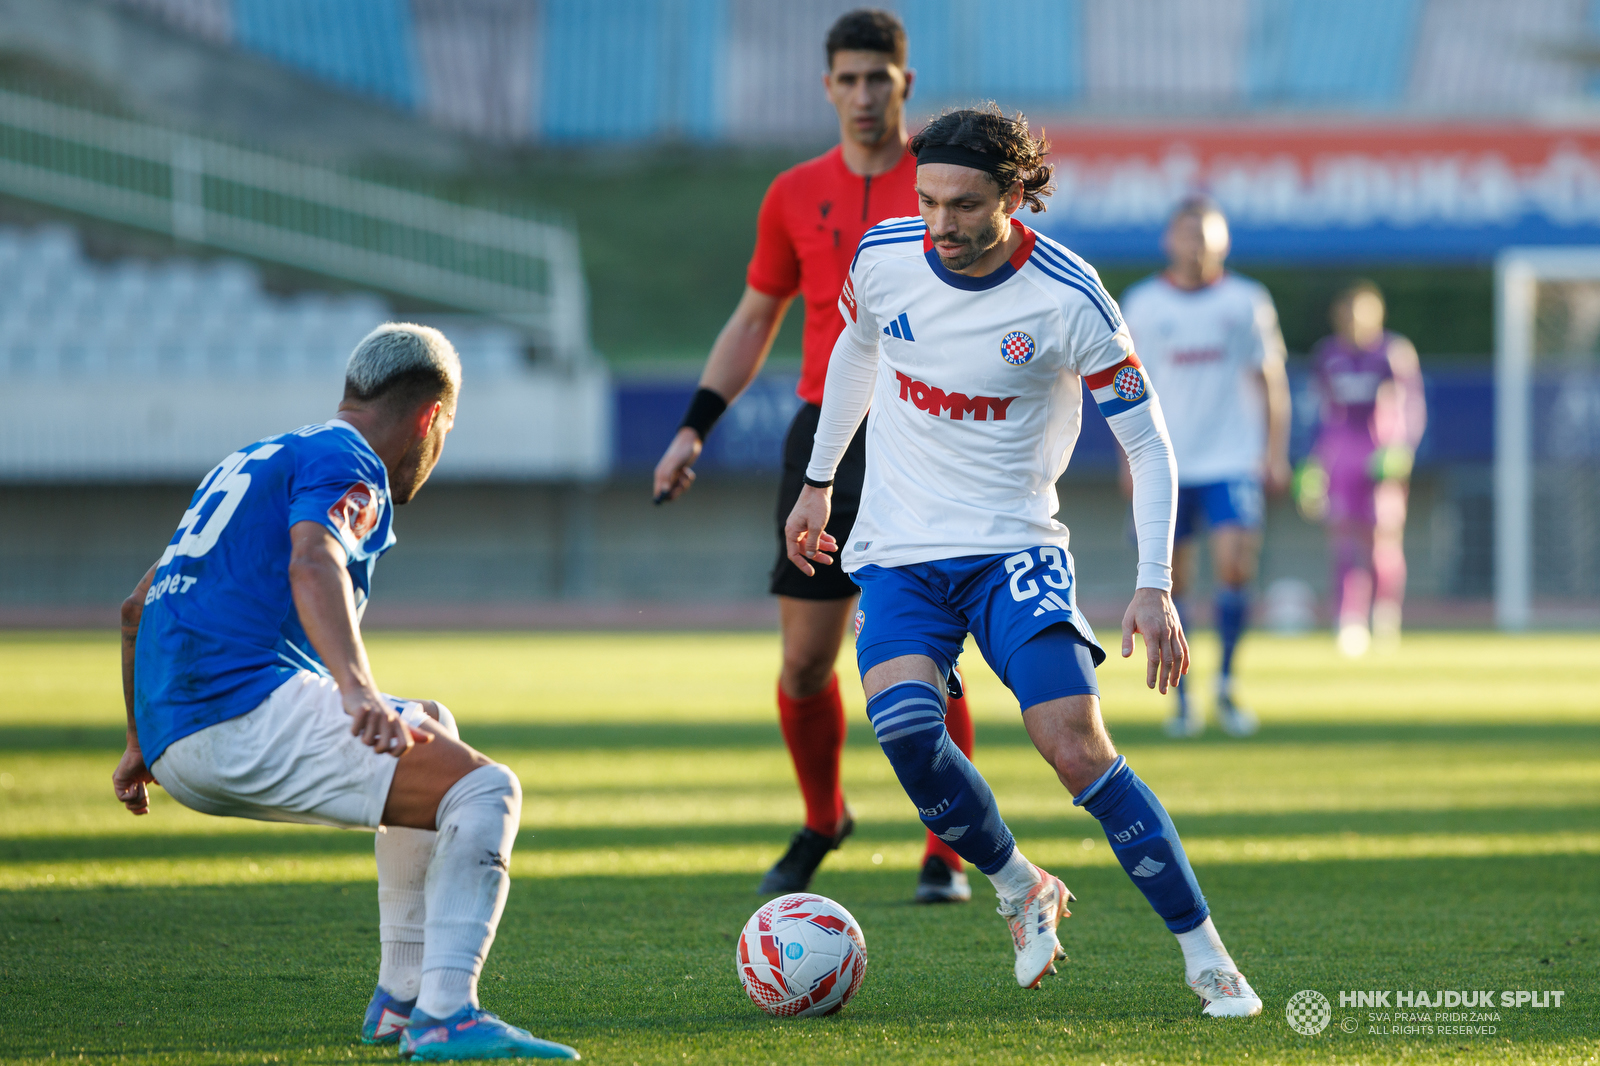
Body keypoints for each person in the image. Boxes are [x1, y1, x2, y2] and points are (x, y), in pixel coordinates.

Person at [785, 105, 1261, 1016]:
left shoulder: (1068, 297)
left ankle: (1208, 958)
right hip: (901, 554)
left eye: (963, 205)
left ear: (1012, 197)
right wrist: (818, 481)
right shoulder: (884, 257)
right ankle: (1018, 884)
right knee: (908, 734)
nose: (941, 225)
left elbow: (1150, 447)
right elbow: (857, 348)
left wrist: (1154, 586)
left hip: (1014, 550)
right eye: (927, 201)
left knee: (1075, 749)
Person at [110, 324, 579, 1061]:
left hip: (180, 733)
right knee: (488, 791)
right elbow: (314, 560)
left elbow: (137, 608)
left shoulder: (262, 456)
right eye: (446, 430)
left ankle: (400, 999)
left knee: (429, 724)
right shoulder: (350, 460)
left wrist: (142, 742)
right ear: (430, 418)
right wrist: (357, 689)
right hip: (238, 714)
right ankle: (449, 1014)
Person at [651, 9, 977, 903]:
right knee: (803, 663)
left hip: (929, 434)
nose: (866, 94)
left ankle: (945, 848)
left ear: (906, 82)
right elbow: (755, 317)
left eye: (881, 77)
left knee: (929, 654)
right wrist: (694, 427)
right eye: (850, 78)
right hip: (823, 437)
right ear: (827, 85)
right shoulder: (794, 193)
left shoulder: (947, 184)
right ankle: (824, 816)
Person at [1120, 198, 1290, 739]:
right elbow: (1121, 388)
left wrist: (1275, 450)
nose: (1197, 245)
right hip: (1164, 461)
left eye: (1207, 235)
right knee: (1173, 583)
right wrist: (1130, 457)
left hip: (1231, 458)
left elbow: (1271, 380)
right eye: (1188, 234)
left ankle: (1225, 683)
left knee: (1237, 564)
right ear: (1170, 239)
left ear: (1224, 243)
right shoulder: (1143, 304)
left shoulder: (1246, 301)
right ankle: (1184, 699)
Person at [1306, 281, 1426, 656]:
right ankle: (1349, 619)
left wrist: (1401, 450)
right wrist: (1314, 464)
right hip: (1341, 459)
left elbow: (1411, 406)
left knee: (1383, 541)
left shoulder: (1394, 353)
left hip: (1380, 457)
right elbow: (1321, 413)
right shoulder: (1327, 355)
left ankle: (1386, 615)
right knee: (1343, 541)